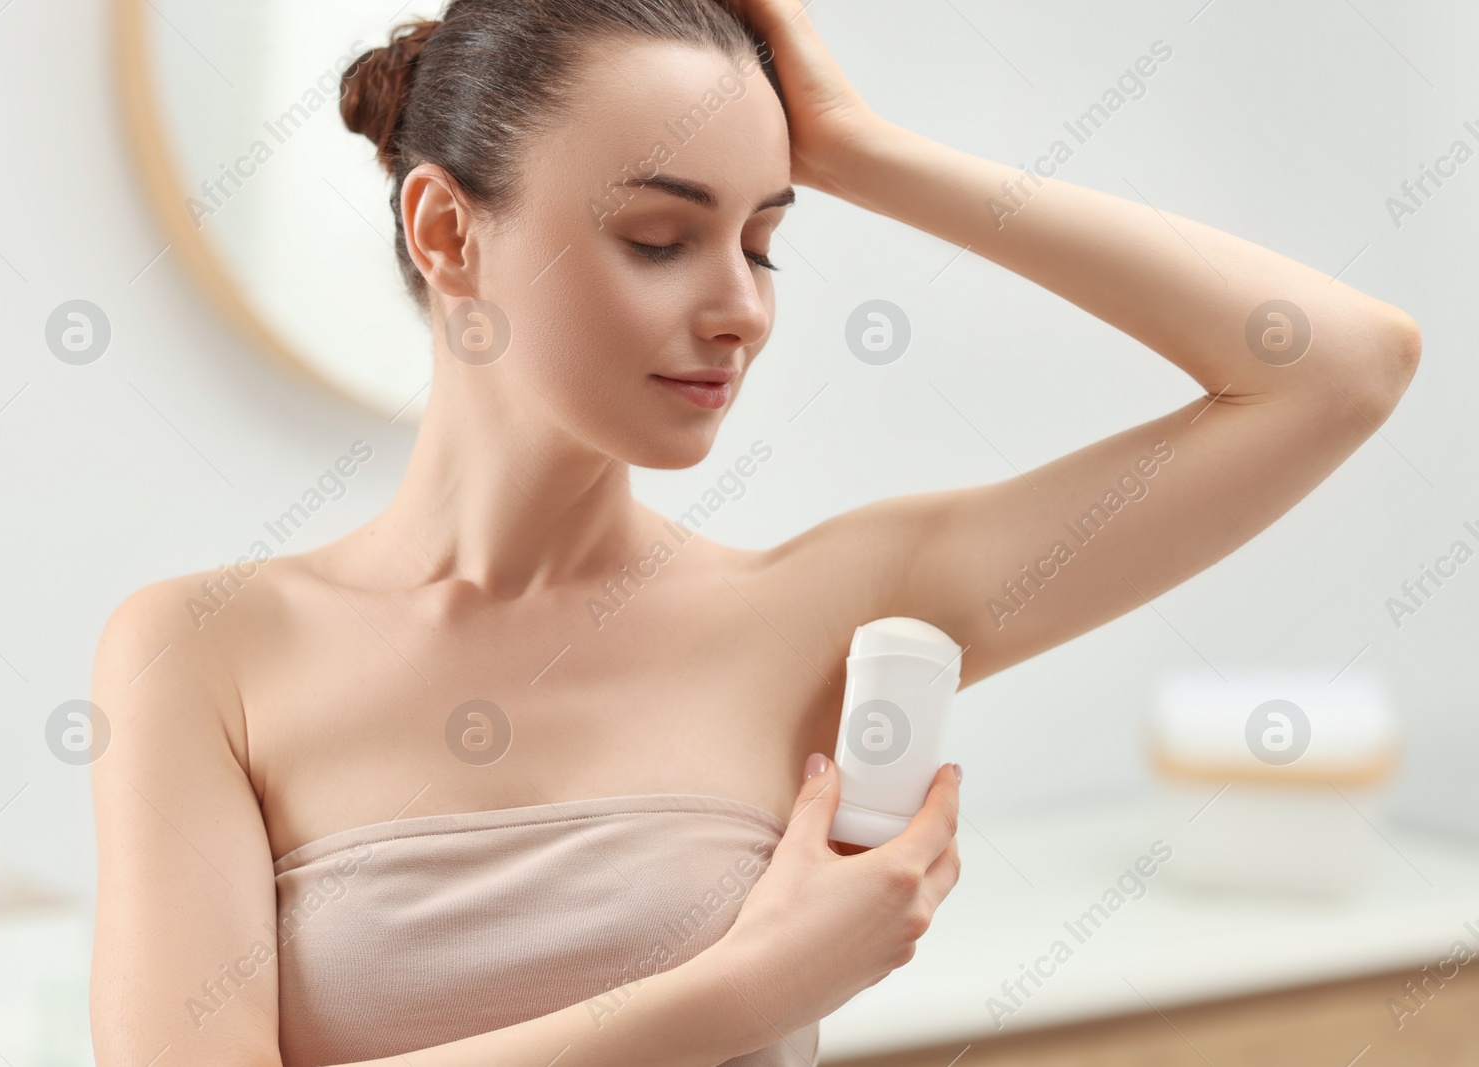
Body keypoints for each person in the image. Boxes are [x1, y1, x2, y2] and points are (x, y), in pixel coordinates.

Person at [88, 0, 1420, 1064]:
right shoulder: (206, 655)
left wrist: (861, 148)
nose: (743, 310)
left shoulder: (822, 616)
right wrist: (747, 992)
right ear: (447, 231)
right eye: (662, 237)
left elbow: (1336, 368)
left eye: (767, 241)